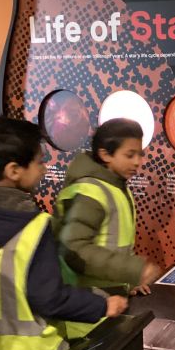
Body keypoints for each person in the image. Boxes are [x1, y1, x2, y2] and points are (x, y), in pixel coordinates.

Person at [0, 116, 127, 350]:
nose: (44, 169)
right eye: (39, 162)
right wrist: (102, 304)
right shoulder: (33, 227)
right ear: (14, 170)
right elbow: (48, 297)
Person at [53, 118, 160, 295]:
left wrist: (128, 281)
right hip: (87, 300)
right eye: (130, 155)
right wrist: (133, 270)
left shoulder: (116, 187)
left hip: (109, 297)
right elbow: (74, 249)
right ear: (105, 155)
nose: (137, 162)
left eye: (140, 154)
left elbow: (115, 245)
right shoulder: (90, 192)